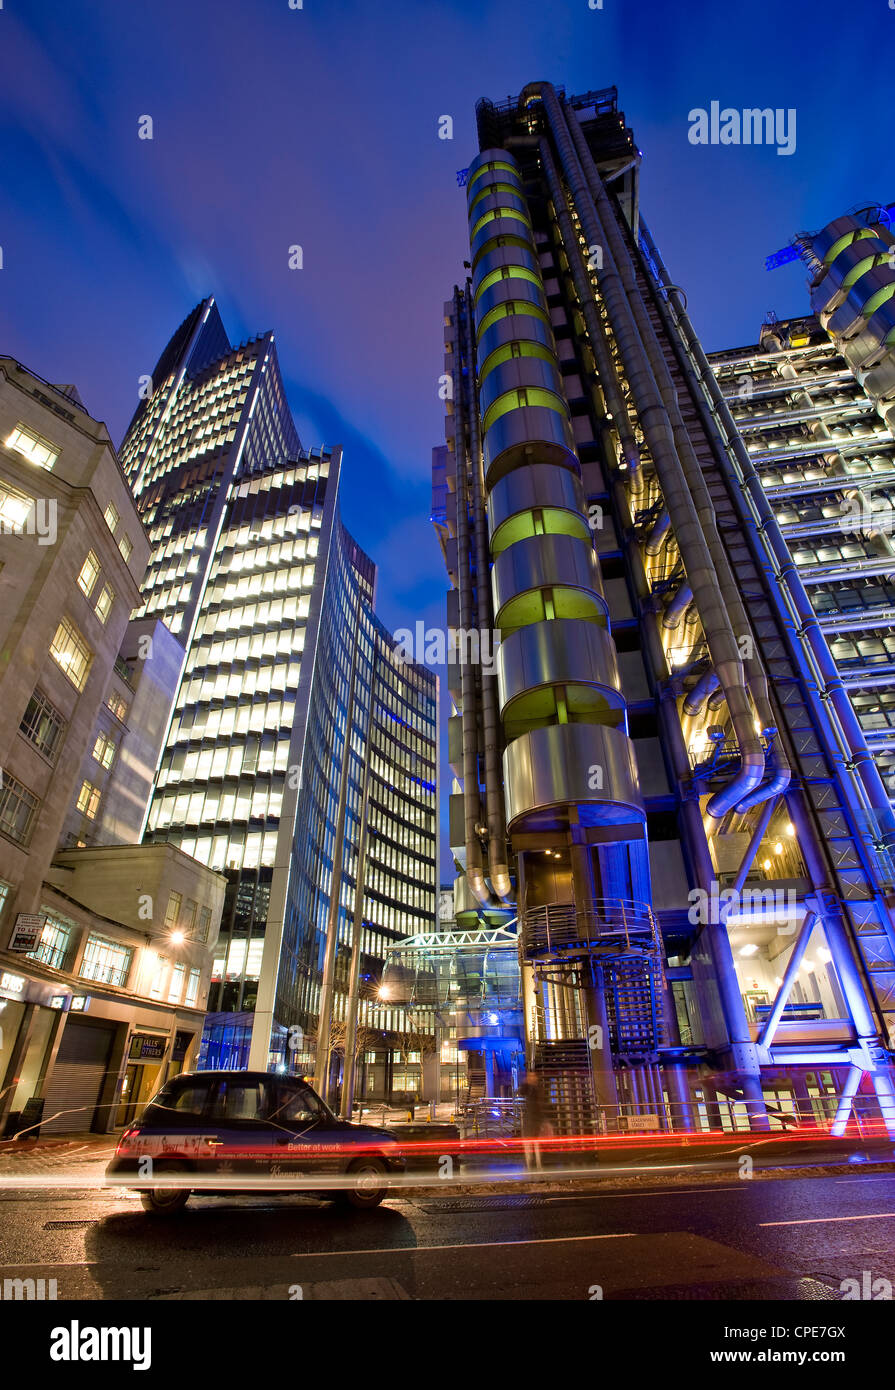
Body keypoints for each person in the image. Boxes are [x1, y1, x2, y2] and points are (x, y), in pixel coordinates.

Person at [519, 1070, 546, 1171]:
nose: (531, 1078)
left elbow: (541, 1104)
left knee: (536, 1144)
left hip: (535, 1119)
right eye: (529, 1076)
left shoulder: (538, 1088)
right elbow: (521, 1091)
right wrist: (526, 1083)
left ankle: (538, 1164)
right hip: (529, 1119)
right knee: (529, 1145)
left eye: (533, 1076)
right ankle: (530, 1164)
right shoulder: (528, 1087)